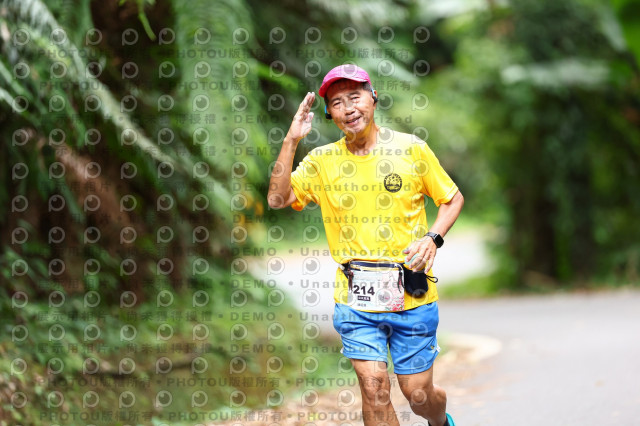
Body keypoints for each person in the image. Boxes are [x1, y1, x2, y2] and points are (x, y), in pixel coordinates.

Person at [267, 64, 464, 426]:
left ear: (373, 98)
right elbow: (278, 199)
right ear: (330, 114)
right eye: (337, 102)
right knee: (373, 388)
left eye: (355, 97)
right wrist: (291, 140)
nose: (348, 108)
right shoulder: (322, 161)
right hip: (355, 297)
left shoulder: (411, 149)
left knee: (418, 395)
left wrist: (433, 238)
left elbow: (452, 199)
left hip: (412, 293)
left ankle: (439, 421)